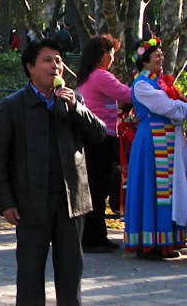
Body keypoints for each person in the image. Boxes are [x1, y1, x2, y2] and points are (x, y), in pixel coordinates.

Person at [0, 38, 106, 306]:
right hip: (31, 202)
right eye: (47, 60)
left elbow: (99, 134)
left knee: (70, 271)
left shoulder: (73, 100)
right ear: (30, 66)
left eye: (59, 60)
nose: (56, 66)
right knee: (30, 272)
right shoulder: (13, 106)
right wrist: (6, 202)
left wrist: (77, 107)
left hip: (71, 200)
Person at [123, 37, 187, 260]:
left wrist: (181, 108)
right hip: (152, 141)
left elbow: (173, 106)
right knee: (153, 188)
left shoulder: (160, 82)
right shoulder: (142, 84)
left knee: (167, 190)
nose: (161, 58)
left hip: (166, 140)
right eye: (156, 55)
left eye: (161, 54)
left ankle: (166, 240)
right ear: (144, 61)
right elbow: (169, 107)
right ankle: (151, 243)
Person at [76, 34, 133, 253]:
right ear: (101, 56)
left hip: (97, 136)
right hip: (100, 137)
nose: (113, 59)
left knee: (98, 187)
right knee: (97, 188)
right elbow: (127, 93)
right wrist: (147, 84)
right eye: (111, 54)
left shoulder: (88, 76)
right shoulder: (101, 76)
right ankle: (92, 237)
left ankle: (98, 235)